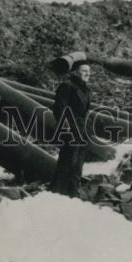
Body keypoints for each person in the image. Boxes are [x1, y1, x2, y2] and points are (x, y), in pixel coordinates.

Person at [50, 61, 93, 197]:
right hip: (70, 130)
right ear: (75, 72)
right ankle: (58, 193)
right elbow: (59, 108)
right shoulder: (67, 86)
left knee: (77, 165)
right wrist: (68, 129)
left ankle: (73, 193)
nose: (88, 74)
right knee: (67, 162)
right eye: (84, 70)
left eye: (89, 71)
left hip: (82, 131)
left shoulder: (85, 89)